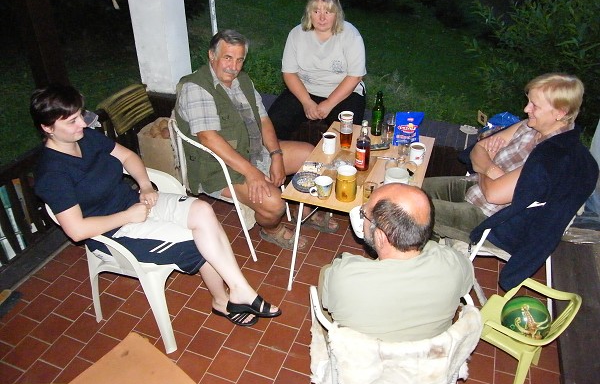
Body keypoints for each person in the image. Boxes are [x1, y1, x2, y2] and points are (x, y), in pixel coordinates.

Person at [32, 84, 281, 327]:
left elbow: (127, 156)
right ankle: (224, 299)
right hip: (112, 232)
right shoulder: (52, 174)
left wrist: (145, 186)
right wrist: (127, 216)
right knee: (199, 239)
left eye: (80, 115)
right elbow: (77, 230)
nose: (83, 124)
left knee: (203, 211)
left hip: (136, 202)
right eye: (72, 121)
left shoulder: (87, 138)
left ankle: (239, 291)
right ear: (47, 127)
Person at [423, 73, 599, 289]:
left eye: (535, 105)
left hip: (490, 219)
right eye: (528, 101)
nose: (526, 109)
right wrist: (491, 169)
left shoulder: (553, 157)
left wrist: (485, 165)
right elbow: (479, 149)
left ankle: (424, 274)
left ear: (560, 113)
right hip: (476, 188)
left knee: (407, 210)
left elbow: (493, 195)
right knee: (416, 189)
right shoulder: (530, 126)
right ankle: (429, 256)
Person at [175, 29, 338, 251]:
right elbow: (209, 138)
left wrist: (276, 156)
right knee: (275, 204)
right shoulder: (196, 87)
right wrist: (252, 173)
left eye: (239, 59)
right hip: (219, 169)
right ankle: (271, 230)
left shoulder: (242, 80)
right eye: (227, 58)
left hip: (252, 151)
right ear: (211, 55)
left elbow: (263, 120)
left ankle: (304, 212)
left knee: (312, 156)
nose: (234, 66)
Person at [319, 183, 473, 342]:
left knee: (326, 273)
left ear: (380, 236)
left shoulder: (344, 277)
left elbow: (328, 302)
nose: (362, 217)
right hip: (431, 355)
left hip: (365, 356)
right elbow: (466, 284)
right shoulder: (453, 263)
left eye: (364, 214)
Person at [268, 0, 367, 142]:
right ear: (309, 13)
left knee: (346, 134)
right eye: (316, 11)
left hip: (344, 92)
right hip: (305, 89)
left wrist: (329, 103)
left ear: (337, 14)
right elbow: (289, 73)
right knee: (273, 123)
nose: (322, 18)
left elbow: (355, 76)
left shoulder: (351, 35)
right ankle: (283, 155)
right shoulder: (296, 34)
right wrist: (306, 102)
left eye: (328, 12)